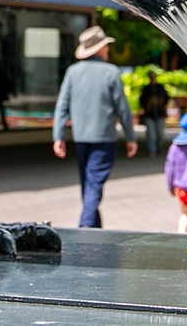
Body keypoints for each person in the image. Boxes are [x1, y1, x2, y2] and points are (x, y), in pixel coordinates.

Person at [52, 26, 138, 228]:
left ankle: (95, 227)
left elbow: (62, 106)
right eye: (106, 47)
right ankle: (86, 227)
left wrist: (58, 136)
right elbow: (123, 109)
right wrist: (131, 138)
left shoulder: (73, 72)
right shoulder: (111, 72)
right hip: (104, 138)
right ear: (99, 50)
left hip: (81, 137)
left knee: (88, 184)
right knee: (94, 184)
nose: (108, 50)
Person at [139, 70, 169, 157]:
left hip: (160, 114)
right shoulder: (146, 89)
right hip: (149, 114)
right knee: (151, 134)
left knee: (160, 133)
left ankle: (159, 147)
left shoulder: (160, 88)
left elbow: (166, 99)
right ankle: (152, 150)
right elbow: (142, 101)